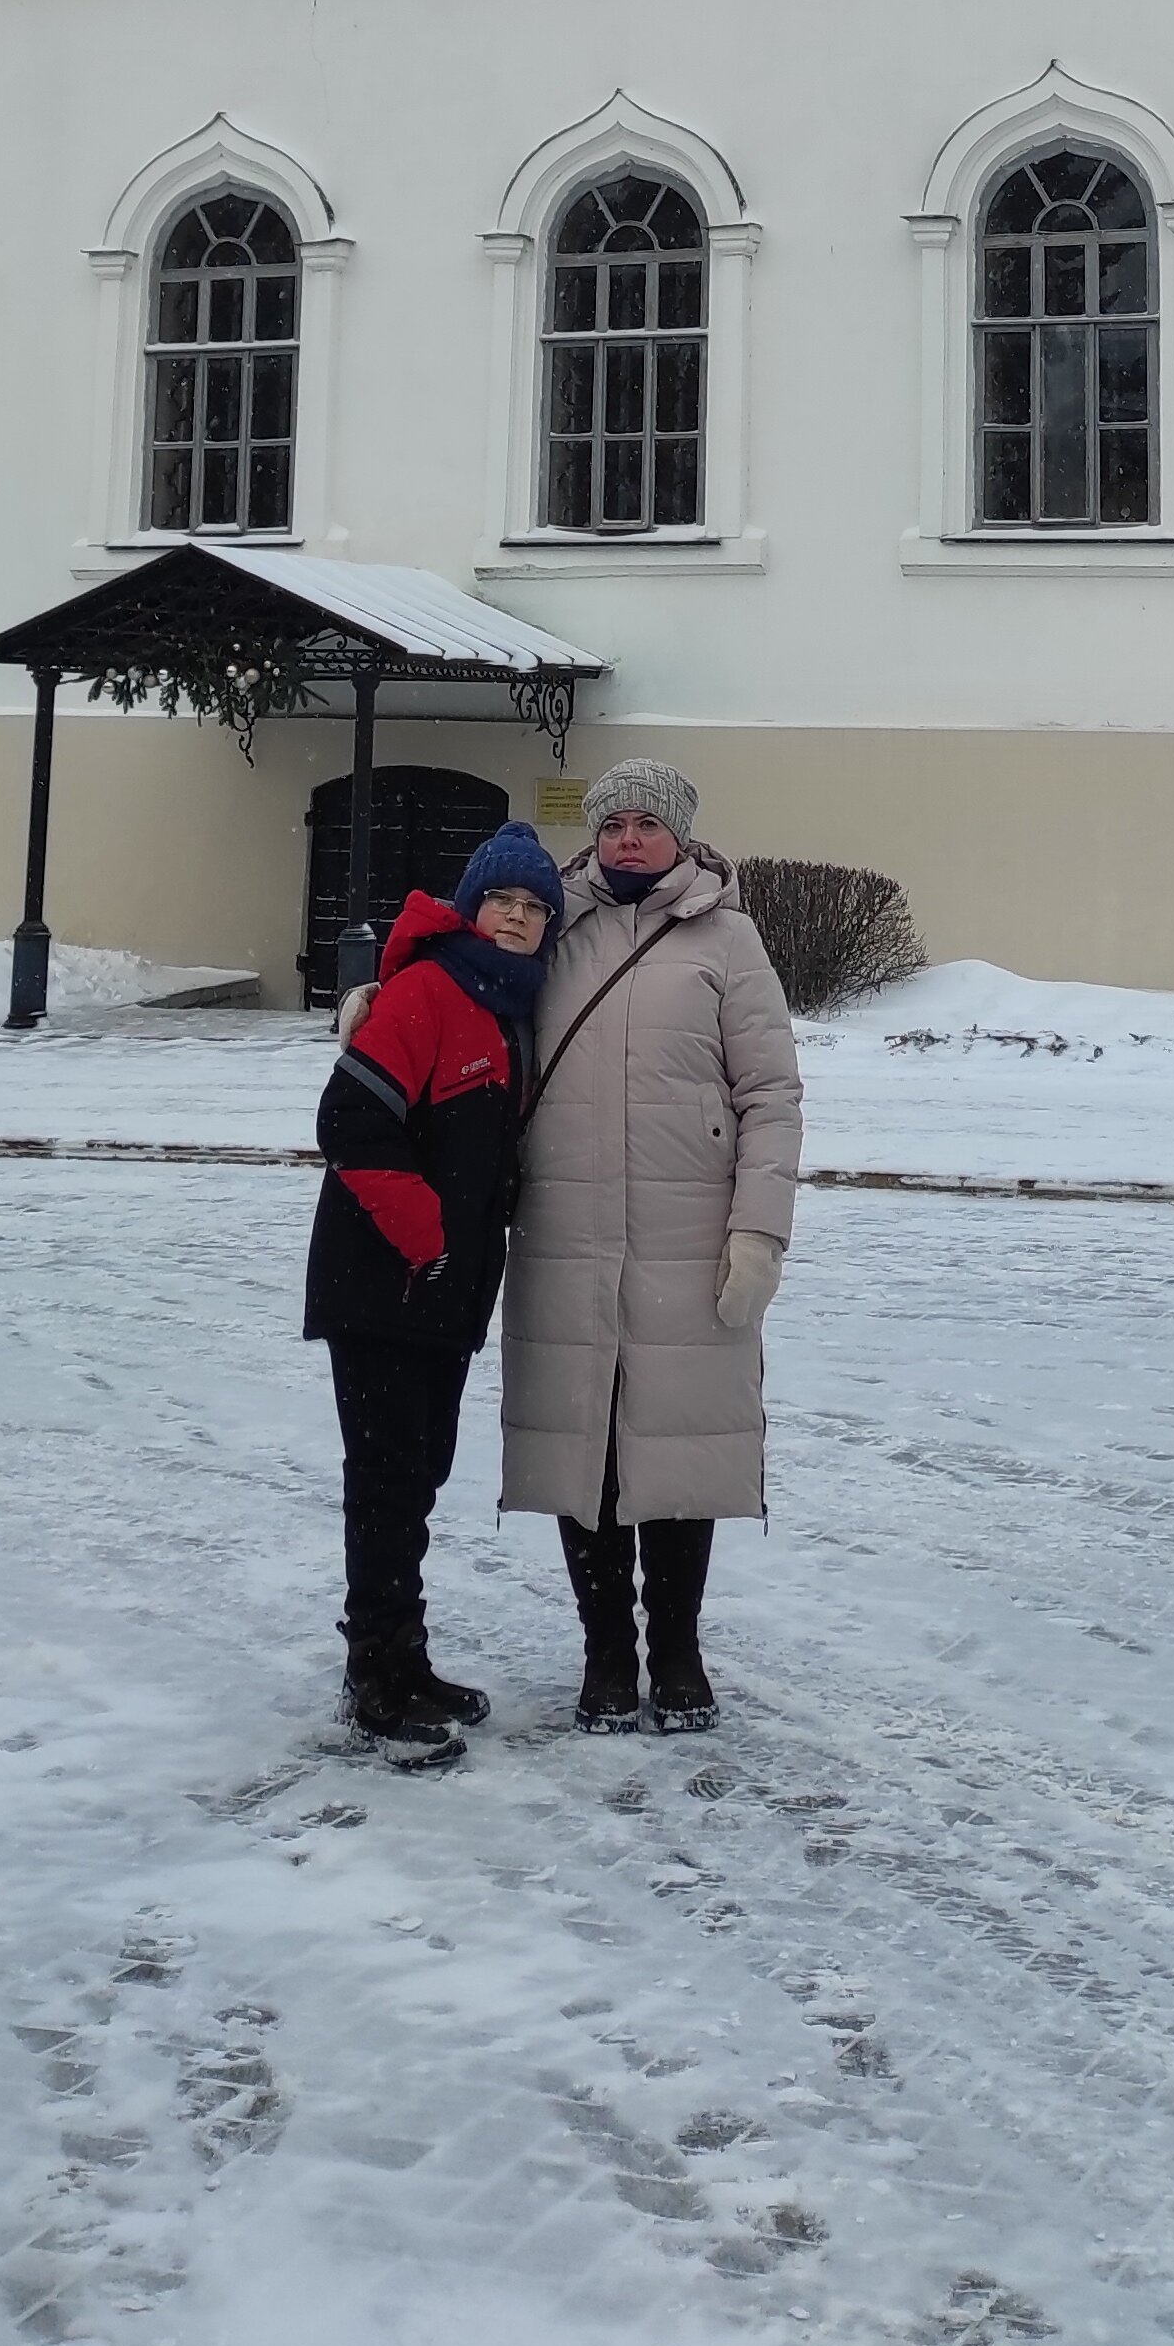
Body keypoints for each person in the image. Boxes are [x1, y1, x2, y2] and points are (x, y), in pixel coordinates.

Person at [501, 757, 802, 1735]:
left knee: (677, 1447)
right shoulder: (559, 926)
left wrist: (758, 1228)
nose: (628, 839)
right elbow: (464, 985)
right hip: (565, 1230)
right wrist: (380, 1004)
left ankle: (675, 1649)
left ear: (680, 835)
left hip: (688, 1235)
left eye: (647, 823)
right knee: (582, 1441)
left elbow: (770, 1094)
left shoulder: (728, 937)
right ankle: (604, 1653)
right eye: (612, 823)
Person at [303, 823, 566, 1768]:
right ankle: (373, 1675)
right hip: (383, 1281)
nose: (517, 918)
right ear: (470, 907)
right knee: (385, 1480)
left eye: (535, 908)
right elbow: (349, 1119)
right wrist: (428, 1239)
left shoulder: (507, 1007)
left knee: (417, 1475)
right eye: (502, 900)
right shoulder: (428, 991)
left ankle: (405, 1657)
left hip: (445, 1292)